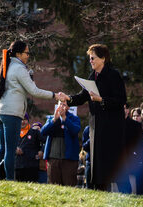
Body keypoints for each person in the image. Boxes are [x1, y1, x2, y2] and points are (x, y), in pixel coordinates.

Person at [0, 40, 58, 180]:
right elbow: (34, 91)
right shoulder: (19, 68)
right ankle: (10, 180)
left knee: (3, 148)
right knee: (10, 150)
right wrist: (54, 95)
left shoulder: (8, 66)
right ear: (18, 54)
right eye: (26, 53)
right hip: (11, 114)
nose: (28, 55)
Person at [58, 44, 127, 191]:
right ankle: (98, 190)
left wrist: (101, 100)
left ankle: (121, 193)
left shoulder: (113, 75)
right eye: (89, 58)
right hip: (96, 124)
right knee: (97, 160)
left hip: (112, 126)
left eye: (93, 58)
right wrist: (68, 98)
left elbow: (121, 100)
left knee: (112, 161)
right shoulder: (92, 76)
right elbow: (82, 97)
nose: (90, 61)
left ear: (103, 58)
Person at [41, 102, 80, 186]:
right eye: (60, 104)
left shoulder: (74, 119)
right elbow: (43, 132)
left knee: (69, 186)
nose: (62, 106)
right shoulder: (52, 118)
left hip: (69, 160)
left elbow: (75, 130)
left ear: (68, 107)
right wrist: (54, 120)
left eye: (64, 105)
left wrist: (65, 118)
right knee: (54, 187)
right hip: (53, 159)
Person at [15, 113, 44, 182]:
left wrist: (42, 151)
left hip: (32, 166)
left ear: (28, 120)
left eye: (25, 119)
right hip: (17, 166)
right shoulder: (14, 132)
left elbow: (45, 141)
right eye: (21, 119)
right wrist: (14, 149)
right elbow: (7, 145)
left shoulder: (34, 132)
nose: (22, 122)